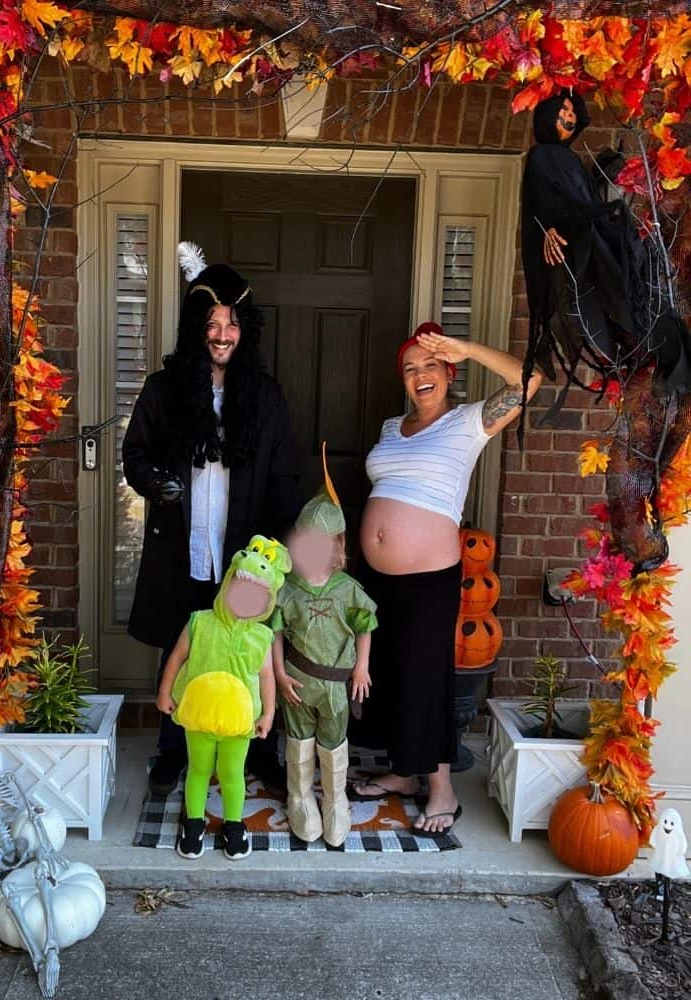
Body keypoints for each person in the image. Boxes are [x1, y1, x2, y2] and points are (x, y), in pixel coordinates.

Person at [123, 242, 301, 796]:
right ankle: (174, 751)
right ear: (196, 327)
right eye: (212, 322)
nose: (222, 333)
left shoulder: (265, 398)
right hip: (183, 545)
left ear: (245, 328)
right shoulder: (165, 389)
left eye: (231, 322)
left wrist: (274, 553)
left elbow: (283, 476)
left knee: (251, 650)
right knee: (185, 643)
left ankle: (260, 748)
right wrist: (158, 483)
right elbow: (136, 455)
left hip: (244, 553)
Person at [352, 321, 543, 836]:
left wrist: (466, 347)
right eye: (411, 369)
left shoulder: (468, 423)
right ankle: (402, 775)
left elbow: (530, 383)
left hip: (429, 578)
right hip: (380, 578)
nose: (420, 375)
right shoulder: (393, 427)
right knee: (390, 674)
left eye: (431, 365)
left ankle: (441, 790)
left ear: (449, 371)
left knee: (425, 679)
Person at [521, 88, 691, 572]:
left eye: (574, 115)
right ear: (547, 117)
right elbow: (541, 209)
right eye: (562, 113)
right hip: (579, 235)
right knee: (621, 278)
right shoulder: (541, 159)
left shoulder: (569, 162)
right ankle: (645, 329)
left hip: (591, 226)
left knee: (630, 259)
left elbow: (582, 195)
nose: (568, 121)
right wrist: (547, 232)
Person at [157, 535, 291, 860]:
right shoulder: (200, 622)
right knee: (199, 770)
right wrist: (164, 692)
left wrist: (269, 713)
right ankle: (193, 822)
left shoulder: (261, 636)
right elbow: (176, 657)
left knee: (233, 773)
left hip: (239, 721)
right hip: (198, 714)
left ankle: (233, 824)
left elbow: (266, 677)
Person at [270, 448, 377, 847]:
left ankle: (335, 801)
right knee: (299, 743)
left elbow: (365, 625)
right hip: (297, 682)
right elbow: (275, 633)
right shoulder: (286, 590)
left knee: (333, 743)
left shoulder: (348, 590)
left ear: (337, 545)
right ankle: (299, 798)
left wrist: (362, 666)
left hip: (335, 685)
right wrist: (279, 674)